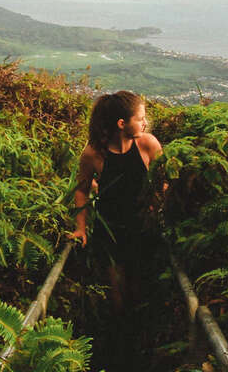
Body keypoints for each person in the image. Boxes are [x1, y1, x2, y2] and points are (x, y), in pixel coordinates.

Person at [68, 90, 163, 313]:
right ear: (122, 123)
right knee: (114, 291)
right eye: (140, 119)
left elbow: (165, 180)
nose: (145, 123)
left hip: (142, 227)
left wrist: (158, 202)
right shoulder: (94, 154)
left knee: (137, 285)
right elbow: (81, 191)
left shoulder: (147, 145)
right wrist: (80, 228)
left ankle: (138, 333)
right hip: (109, 230)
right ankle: (118, 332)